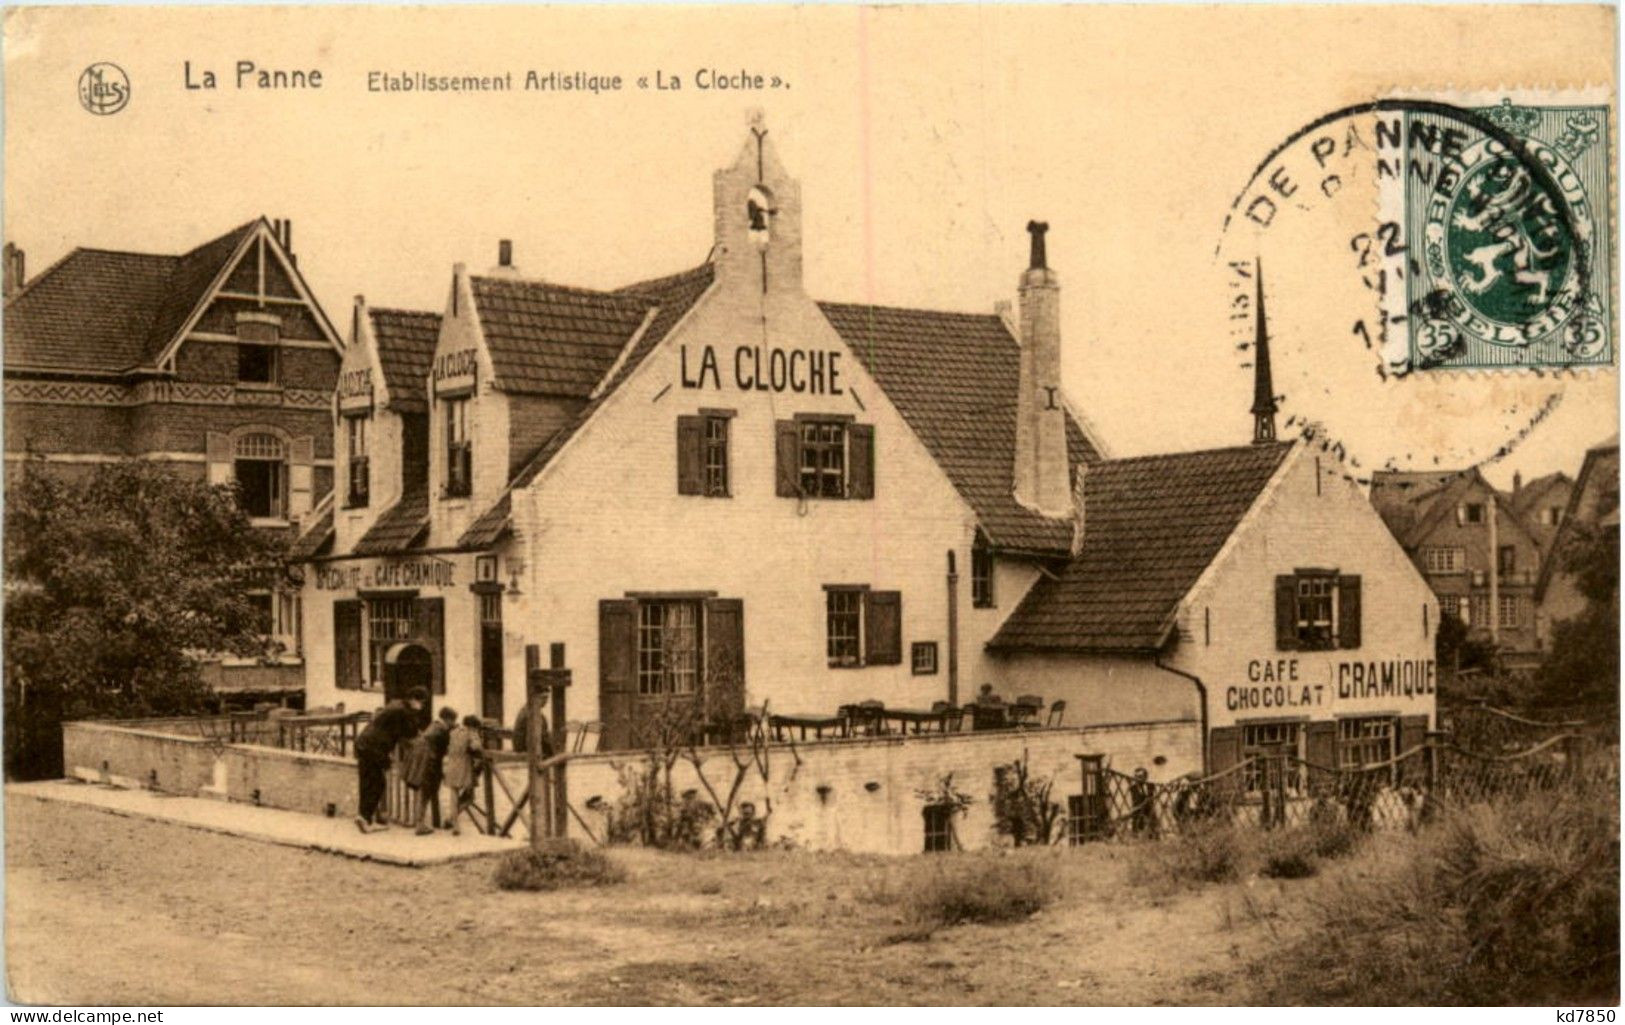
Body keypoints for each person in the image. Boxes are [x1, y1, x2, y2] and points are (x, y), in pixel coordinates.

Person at [353, 686, 427, 834]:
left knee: (367, 780)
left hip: (364, 743)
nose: (422, 706)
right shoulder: (403, 711)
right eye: (421, 702)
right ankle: (365, 817)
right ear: (414, 699)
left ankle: (365, 816)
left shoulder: (395, 704)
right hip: (374, 748)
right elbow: (410, 734)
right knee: (378, 783)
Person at [407, 707, 456, 836]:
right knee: (425, 794)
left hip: (422, 761)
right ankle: (420, 824)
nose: (453, 723)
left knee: (423, 793)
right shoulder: (442, 730)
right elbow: (446, 749)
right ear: (447, 719)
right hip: (429, 763)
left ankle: (421, 822)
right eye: (452, 721)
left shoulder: (433, 725)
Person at [443, 714, 486, 837]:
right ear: (473, 726)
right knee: (470, 797)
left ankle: (454, 823)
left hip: (451, 766)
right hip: (464, 767)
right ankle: (451, 819)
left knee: (454, 796)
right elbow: (476, 747)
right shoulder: (471, 733)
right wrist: (478, 738)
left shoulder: (454, 732)